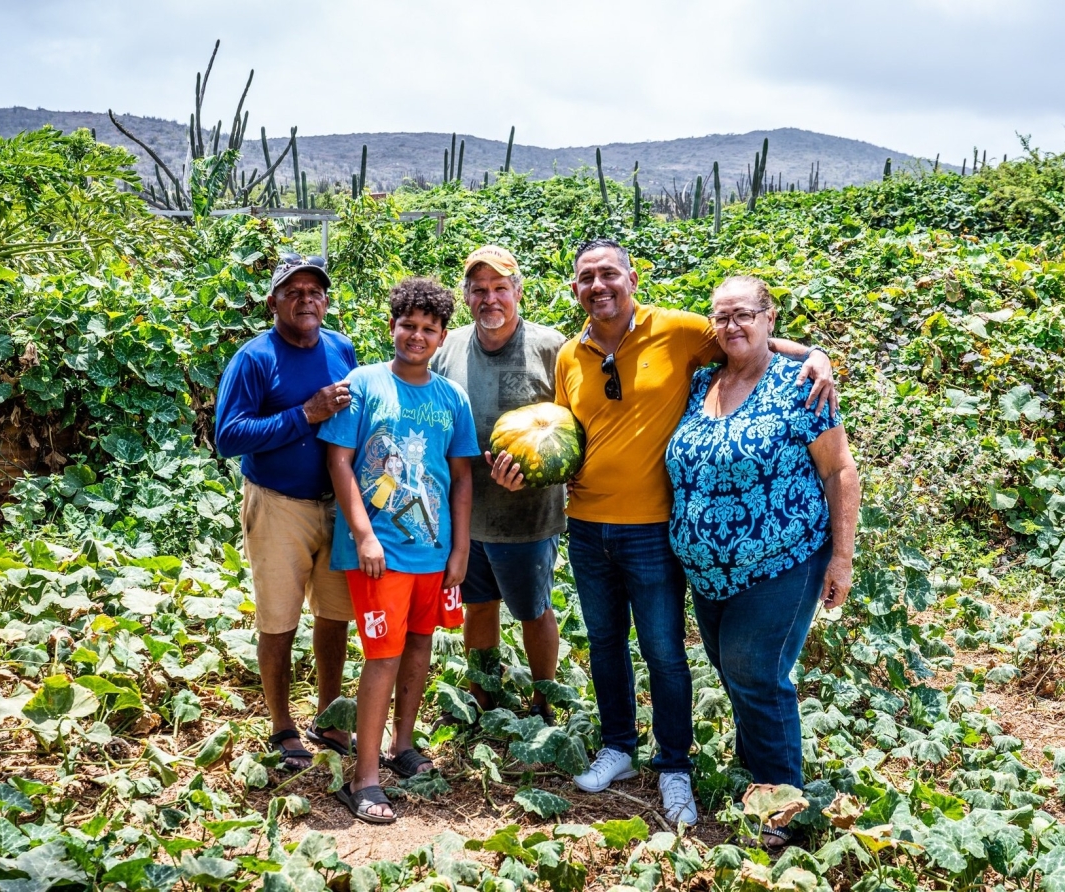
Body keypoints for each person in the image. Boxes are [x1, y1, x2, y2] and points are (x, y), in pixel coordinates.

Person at [491, 238, 835, 827]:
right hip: (587, 526)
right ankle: (619, 747)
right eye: (585, 278)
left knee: (664, 652)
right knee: (604, 643)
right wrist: (525, 474)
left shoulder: (677, 331)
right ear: (574, 289)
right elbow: (566, 440)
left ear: (631, 278)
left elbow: (743, 336)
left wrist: (817, 353)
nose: (598, 286)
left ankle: (674, 763)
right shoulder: (571, 356)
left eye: (609, 274)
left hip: (654, 529)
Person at [665, 275, 859, 847]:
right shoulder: (703, 380)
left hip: (784, 561)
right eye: (721, 317)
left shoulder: (798, 385)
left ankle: (783, 816)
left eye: (743, 315)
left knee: (755, 672)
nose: (731, 326)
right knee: (735, 673)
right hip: (709, 571)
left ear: (769, 319)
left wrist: (842, 558)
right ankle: (756, 780)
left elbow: (838, 470)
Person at [321, 278, 479, 824]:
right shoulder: (363, 384)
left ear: (441, 337)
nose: (417, 335)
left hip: (432, 553)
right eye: (407, 325)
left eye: (428, 329)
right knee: (382, 657)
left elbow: (460, 478)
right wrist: (363, 533)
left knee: (418, 645)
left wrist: (459, 549)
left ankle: (401, 745)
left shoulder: (451, 397)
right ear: (391, 326)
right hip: (379, 554)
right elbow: (340, 462)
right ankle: (363, 778)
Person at [215, 253, 358, 771]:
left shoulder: (342, 348)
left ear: (325, 300)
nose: (305, 300)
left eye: (314, 291)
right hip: (278, 505)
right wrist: (305, 415)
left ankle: (328, 714)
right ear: (272, 301)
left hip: (336, 505)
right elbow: (228, 437)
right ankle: (281, 725)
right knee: (278, 621)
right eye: (292, 291)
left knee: (335, 615)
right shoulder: (255, 359)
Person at [431, 246, 566, 723]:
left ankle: (545, 702)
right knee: (479, 606)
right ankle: (483, 694)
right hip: (466, 512)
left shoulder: (551, 347)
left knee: (534, 609)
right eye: (480, 289)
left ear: (518, 293)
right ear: (466, 296)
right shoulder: (447, 346)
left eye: (500, 288)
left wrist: (538, 473)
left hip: (527, 515)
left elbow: (576, 426)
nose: (491, 298)